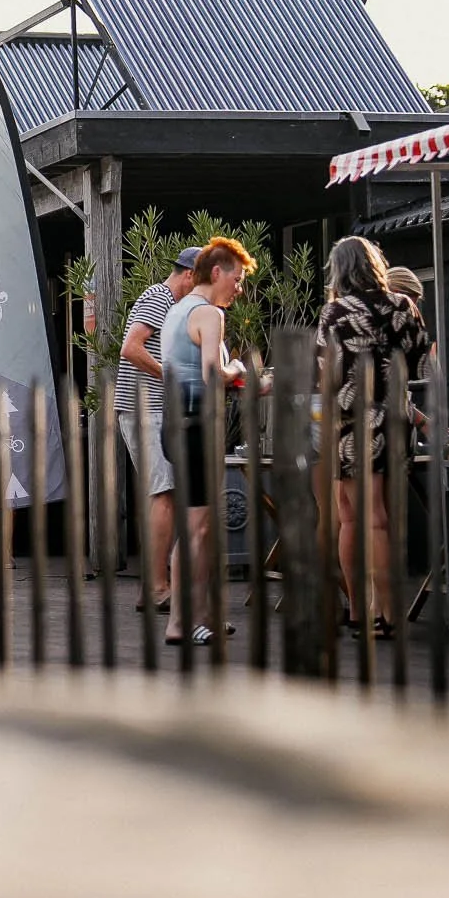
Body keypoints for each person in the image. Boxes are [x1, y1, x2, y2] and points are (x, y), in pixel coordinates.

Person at [316, 236, 425, 636]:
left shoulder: (335, 311)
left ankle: (364, 612)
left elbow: (325, 373)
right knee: (384, 518)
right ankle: (389, 611)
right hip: (395, 417)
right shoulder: (404, 306)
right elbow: (417, 359)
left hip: (350, 421)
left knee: (354, 516)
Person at [156, 236, 252, 646]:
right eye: (239, 277)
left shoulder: (177, 311)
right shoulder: (210, 314)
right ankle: (180, 622)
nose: (240, 288)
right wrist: (239, 367)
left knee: (201, 527)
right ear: (217, 272)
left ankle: (205, 614)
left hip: (176, 424)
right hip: (196, 427)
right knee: (195, 529)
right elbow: (215, 372)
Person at [114, 247, 198, 606]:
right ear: (190, 275)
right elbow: (130, 348)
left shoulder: (176, 308)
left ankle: (160, 583)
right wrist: (172, 376)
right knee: (163, 493)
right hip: (144, 408)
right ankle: (156, 587)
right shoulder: (157, 296)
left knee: (167, 494)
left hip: (156, 410)